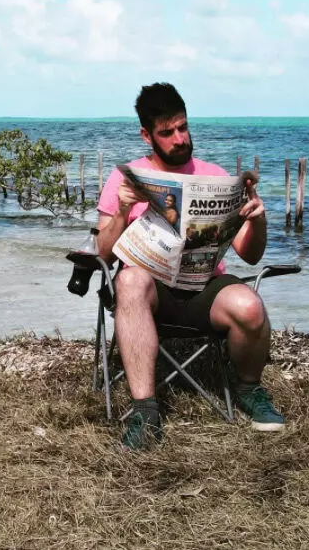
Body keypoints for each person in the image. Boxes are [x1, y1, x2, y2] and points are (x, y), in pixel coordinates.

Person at [96, 82, 285, 450]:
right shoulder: (125, 179)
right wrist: (122, 211)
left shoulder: (215, 176)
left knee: (249, 304)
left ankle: (247, 388)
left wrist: (258, 220)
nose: (179, 139)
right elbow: (102, 254)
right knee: (131, 280)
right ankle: (145, 413)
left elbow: (251, 255)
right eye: (167, 133)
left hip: (204, 288)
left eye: (183, 127)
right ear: (146, 135)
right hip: (151, 292)